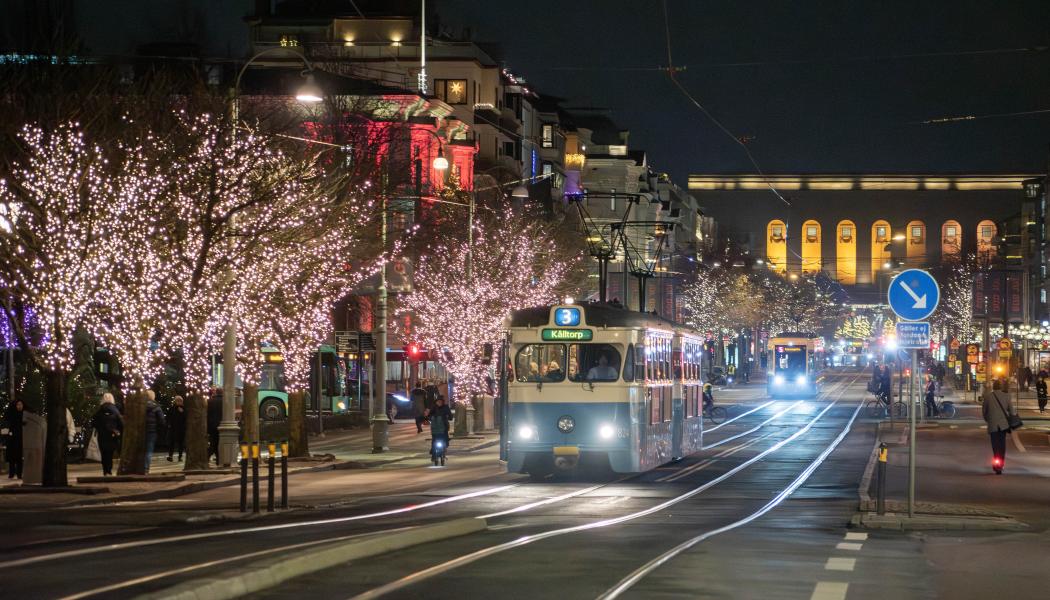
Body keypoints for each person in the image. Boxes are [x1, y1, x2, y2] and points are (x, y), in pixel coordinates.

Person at [982, 379, 1016, 474]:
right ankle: (1000, 464)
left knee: (995, 445)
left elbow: (984, 411)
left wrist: (988, 420)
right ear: (1001, 387)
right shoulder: (1007, 396)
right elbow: (1012, 412)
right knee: (1002, 444)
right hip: (1003, 425)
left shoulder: (988, 397)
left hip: (992, 424)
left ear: (993, 387)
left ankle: (996, 461)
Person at [90, 393, 123, 476]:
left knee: (104, 453)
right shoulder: (115, 410)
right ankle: (109, 470)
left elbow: (93, 423)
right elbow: (121, 422)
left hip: (102, 435)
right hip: (112, 435)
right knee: (110, 453)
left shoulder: (99, 411)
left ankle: (105, 470)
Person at [143, 391, 166, 473]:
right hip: (152, 430)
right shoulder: (156, 407)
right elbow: (162, 420)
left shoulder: (141, 406)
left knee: (141, 450)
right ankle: (146, 468)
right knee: (149, 450)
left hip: (141, 431)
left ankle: (140, 467)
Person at [428, 396, 453, 466]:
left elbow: (450, 416)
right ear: (436, 402)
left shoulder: (446, 407)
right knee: (434, 440)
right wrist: (429, 418)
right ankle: (433, 454)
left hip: (443, 427)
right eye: (438, 401)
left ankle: (444, 450)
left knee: (445, 438)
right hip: (435, 428)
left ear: (442, 402)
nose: (439, 403)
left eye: (440, 401)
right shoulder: (433, 407)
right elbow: (429, 415)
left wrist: (449, 417)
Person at [3, 399, 25, 479]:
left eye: (21, 404)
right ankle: (11, 473)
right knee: (12, 456)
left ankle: (19, 474)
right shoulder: (12, 414)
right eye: (18, 405)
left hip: (20, 438)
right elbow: (7, 420)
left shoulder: (24, 414)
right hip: (12, 438)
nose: (20, 406)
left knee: (19, 457)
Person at [167, 395, 187, 462]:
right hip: (173, 428)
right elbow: (168, 417)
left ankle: (180, 456)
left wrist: (182, 412)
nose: (179, 402)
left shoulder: (184, 408)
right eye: (177, 401)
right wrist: (169, 424)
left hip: (181, 429)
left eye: (180, 401)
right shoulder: (172, 408)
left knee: (180, 443)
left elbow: (186, 418)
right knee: (171, 442)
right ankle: (170, 456)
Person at [207, 387, 223, 466]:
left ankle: (218, 460)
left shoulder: (210, 401)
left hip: (212, 425)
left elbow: (208, 414)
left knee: (214, 442)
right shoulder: (225, 401)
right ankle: (207, 457)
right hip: (221, 425)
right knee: (216, 444)